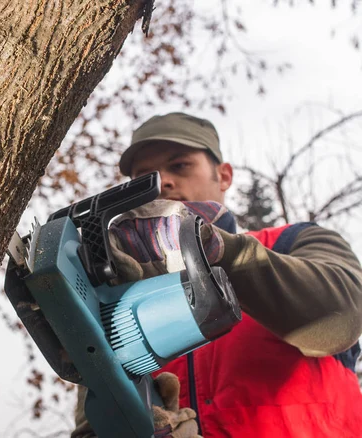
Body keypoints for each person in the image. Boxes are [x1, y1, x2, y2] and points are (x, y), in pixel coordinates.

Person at [72, 112, 362, 437]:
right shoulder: (125, 301)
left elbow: (339, 321)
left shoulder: (292, 242)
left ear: (224, 176)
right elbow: (98, 417)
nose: (162, 181)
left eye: (179, 165)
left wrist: (216, 250)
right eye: (144, 176)